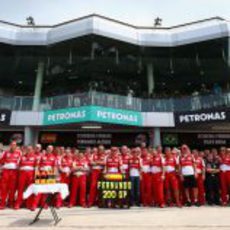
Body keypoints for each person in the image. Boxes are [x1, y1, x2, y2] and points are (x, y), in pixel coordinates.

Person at [14, 146, 38, 210]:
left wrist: (35, 176)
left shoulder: (35, 157)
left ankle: (29, 204)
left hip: (31, 174)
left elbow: (36, 167)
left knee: (30, 189)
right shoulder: (21, 157)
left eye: (30, 149)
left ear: (32, 150)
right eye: (27, 149)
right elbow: (17, 166)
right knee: (20, 189)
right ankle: (18, 204)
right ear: (26, 150)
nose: (28, 150)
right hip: (22, 174)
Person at [0, 141, 21, 209]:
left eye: (14, 145)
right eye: (11, 145)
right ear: (10, 146)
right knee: (4, 188)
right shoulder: (6, 152)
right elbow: (1, 161)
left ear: (16, 146)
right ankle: (2, 204)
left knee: (12, 189)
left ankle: (11, 203)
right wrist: (6, 164)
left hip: (14, 172)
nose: (13, 146)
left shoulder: (19, 153)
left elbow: (20, 161)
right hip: (6, 172)